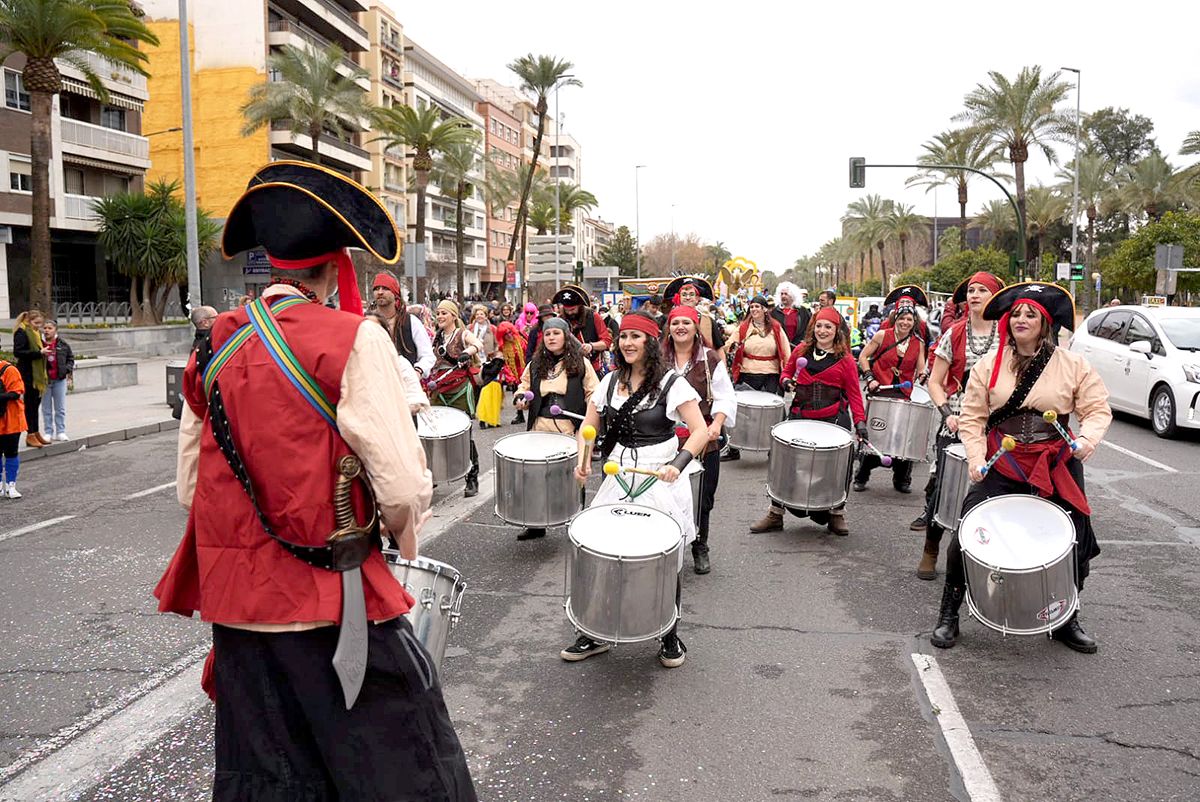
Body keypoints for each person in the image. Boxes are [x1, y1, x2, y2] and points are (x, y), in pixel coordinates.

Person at [153, 161, 475, 799]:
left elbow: (191, 485)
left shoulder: (217, 342)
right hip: (337, 605)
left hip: (241, 615)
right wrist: (403, 541)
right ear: (334, 271)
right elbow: (404, 485)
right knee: (401, 771)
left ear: (272, 266)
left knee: (273, 779)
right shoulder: (353, 338)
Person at [930, 282, 1111, 654]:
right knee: (967, 535)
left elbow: (1096, 408)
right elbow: (973, 418)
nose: (1021, 320)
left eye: (1031, 314)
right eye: (1016, 314)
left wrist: (1088, 439)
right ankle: (950, 614)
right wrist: (977, 460)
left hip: (1055, 464)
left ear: (1046, 324)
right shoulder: (987, 365)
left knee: (1075, 542)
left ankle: (1065, 619)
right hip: (1003, 464)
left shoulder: (1073, 364)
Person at [562, 312, 710, 667]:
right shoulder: (610, 381)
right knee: (606, 550)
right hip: (617, 474)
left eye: (635, 337)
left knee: (663, 557)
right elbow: (591, 428)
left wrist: (678, 464)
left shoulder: (672, 383)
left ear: (650, 343)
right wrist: (583, 463)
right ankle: (594, 632)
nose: (627, 343)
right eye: (623, 336)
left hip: (659, 475)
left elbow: (701, 430)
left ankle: (669, 633)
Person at [912, 272, 1002, 576]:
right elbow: (936, 382)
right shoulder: (954, 334)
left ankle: (986, 555)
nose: (974, 295)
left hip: (997, 423)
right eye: (971, 291)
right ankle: (931, 548)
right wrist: (947, 412)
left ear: (996, 297)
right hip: (957, 420)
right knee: (944, 487)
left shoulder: (1008, 335)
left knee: (992, 489)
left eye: (982, 290)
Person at [750, 306, 867, 536]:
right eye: (819, 326)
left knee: (840, 467)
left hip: (833, 422)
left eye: (828, 327)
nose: (822, 331)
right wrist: (786, 383)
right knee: (783, 463)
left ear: (837, 331)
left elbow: (854, 394)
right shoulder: (802, 350)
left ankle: (836, 514)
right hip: (800, 418)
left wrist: (861, 422)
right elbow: (786, 373)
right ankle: (775, 513)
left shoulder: (845, 360)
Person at [663, 304, 736, 573]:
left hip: (704, 440)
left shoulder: (710, 359)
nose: (680, 327)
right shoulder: (657, 358)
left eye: (686, 322)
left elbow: (725, 396)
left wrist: (716, 423)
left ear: (696, 328)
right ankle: (663, 548)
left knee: (702, 497)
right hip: (663, 439)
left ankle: (699, 545)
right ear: (668, 328)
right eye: (675, 322)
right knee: (662, 495)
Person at [513, 316, 599, 540]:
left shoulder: (581, 363)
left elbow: (593, 392)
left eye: (556, 333)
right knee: (535, 477)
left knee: (572, 477)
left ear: (566, 336)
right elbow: (523, 386)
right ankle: (535, 523)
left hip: (568, 428)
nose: (551, 337)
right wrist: (521, 398)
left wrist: (590, 415)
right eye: (548, 334)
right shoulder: (535, 364)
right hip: (540, 426)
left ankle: (576, 520)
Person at [856, 305, 926, 493]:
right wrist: (870, 378)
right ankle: (861, 475)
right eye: (902, 318)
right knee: (876, 433)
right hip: (880, 391)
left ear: (914, 323)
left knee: (903, 437)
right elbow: (863, 356)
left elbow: (921, 369)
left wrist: (924, 376)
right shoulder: (882, 335)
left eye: (909, 319)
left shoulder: (918, 343)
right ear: (895, 319)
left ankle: (902, 478)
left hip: (903, 395)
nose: (905, 322)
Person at [428, 299, 485, 497]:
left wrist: (467, 352)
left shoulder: (462, 333)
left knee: (463, 435)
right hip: (438, 390)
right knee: (432, 433)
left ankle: (472, 477)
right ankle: (432, 476)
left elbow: (478, 343)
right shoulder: (436, 337)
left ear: (454, 315)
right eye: (438, 313)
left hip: (459, 389)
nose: (440, 316)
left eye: (444, 313)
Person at [722, 295, 790, 462]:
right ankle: (733, 448)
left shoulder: (775, 327)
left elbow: (786, 351)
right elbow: (728, 346)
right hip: (747, 372)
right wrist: (734, 346)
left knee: (773, 414)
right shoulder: (744, 327)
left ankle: (773, 449)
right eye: (752, 307)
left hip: (770, 374)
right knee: (738, 412)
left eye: (757, 307)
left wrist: (788, 372)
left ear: (765, 309)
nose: (754, 310)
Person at [371, 272, 436, 379]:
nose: (380, 292)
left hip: (406, 386)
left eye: (385, 288)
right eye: (376, 288)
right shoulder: (367, 322)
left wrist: (417, 372)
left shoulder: (411, 322)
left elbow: (428, 356)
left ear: (395, 293)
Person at [552, 284, 613, 374]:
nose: (569, 312)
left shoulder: (593, 317)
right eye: (566, 309)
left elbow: (606, 341)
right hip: (567, 369)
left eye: (572, 309)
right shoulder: (560, 320)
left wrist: (591, 346)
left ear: (580, 306)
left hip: (592, 368)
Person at [12, 310, 48, 448]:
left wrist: (44, 350)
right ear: (28, 320)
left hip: (37, 374)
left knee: (35, 405)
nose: (38, 326)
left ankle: (36, 431)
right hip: (27, 374)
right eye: (36, 323)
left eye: (40, 323)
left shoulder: (35, 332)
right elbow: (18, 352)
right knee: (30, 405)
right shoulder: (22, 332)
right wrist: (39, 353)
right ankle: (30, 434)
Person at [663, 276, 726, 355]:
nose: (688, 298)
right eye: (684, 295)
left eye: (691, 294)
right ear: (679, 298)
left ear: (697, 299)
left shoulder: (708, 320)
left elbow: (719, 348)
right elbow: (663, 347)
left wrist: (723, 367)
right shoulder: (671, 320)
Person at [39, 319, 74, 442]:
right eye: (45, 328)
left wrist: (66, 369)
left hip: (59, 380)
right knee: (46, 408)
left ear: (55, 330)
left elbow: (70, 358)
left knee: (60, 408)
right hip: (45, 381)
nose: (47, 330)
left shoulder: (62, 344)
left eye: (50, 328)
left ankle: (61, 431)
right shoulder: (39, 343)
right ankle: (48, 432)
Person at [0, 356, 25, 498]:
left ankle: (11, 485)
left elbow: (16, 393)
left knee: (11, 452)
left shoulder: (10, 370)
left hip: (12, 419)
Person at [771, 281, 812, 349]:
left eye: (786, 294)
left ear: (793, 295)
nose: (783, 296)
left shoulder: (802, 311)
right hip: (780, 347)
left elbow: (809, 328)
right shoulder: (775, 312)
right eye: (781, 294)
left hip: (799, 347)